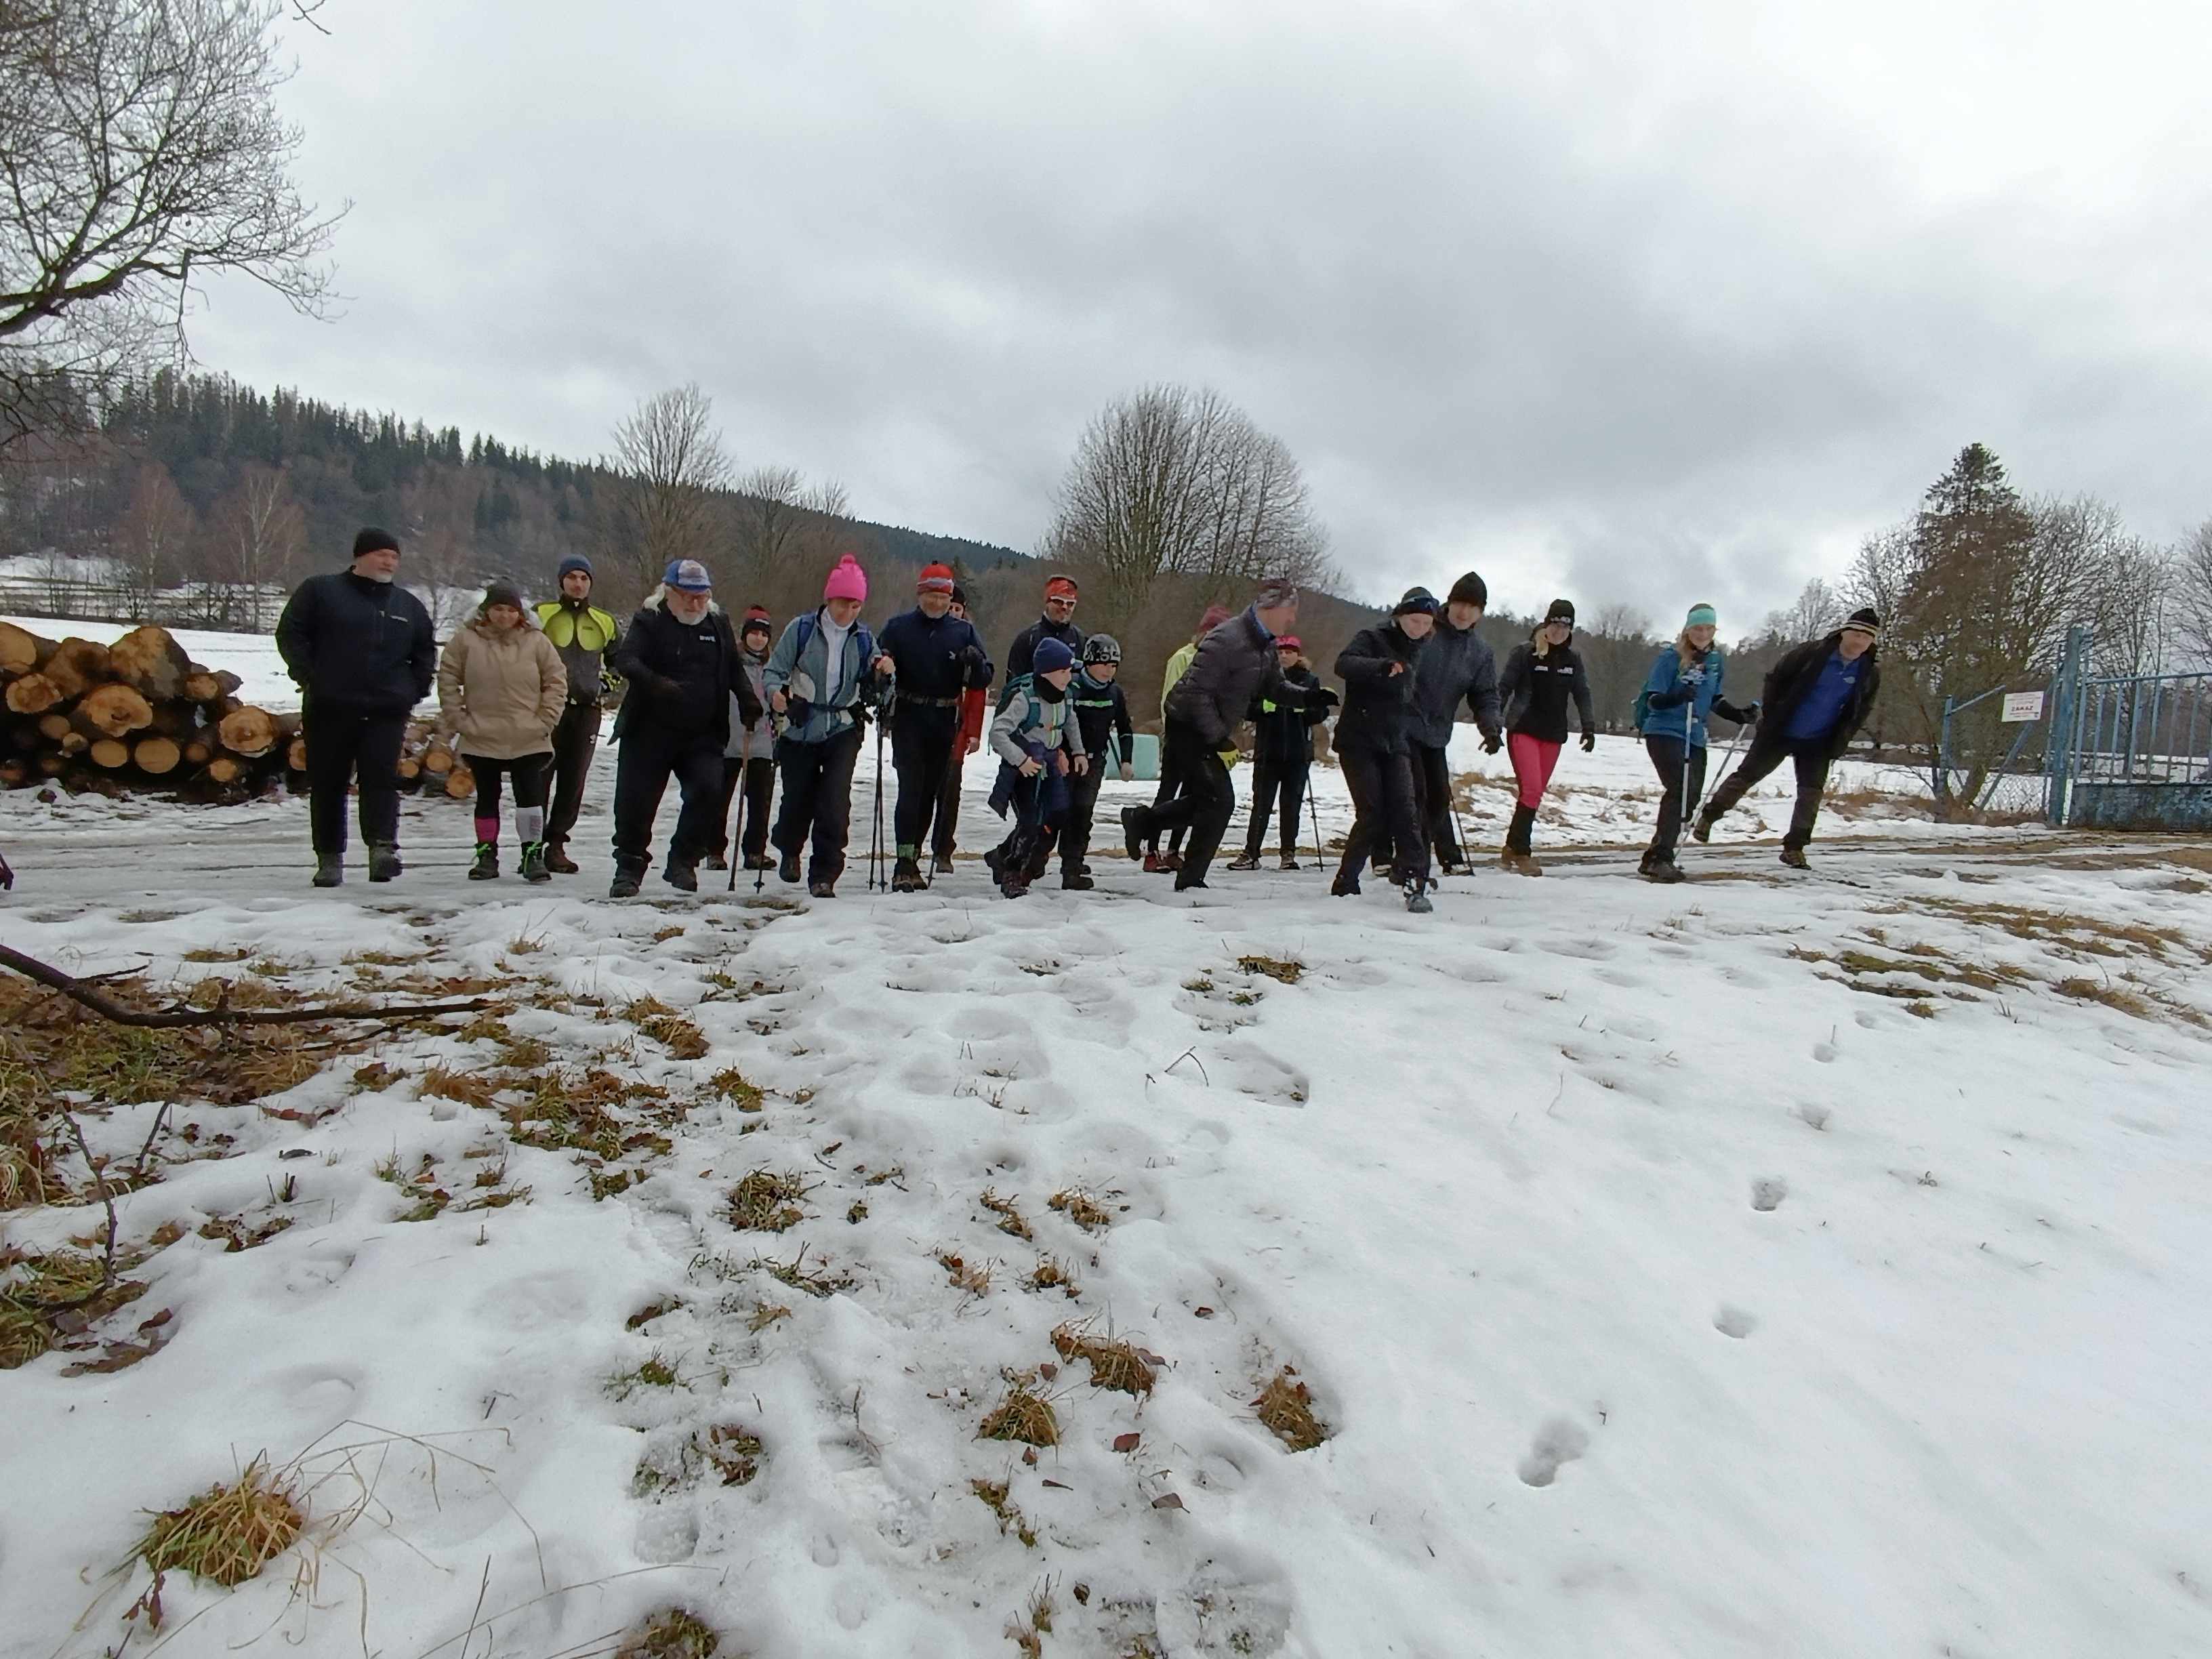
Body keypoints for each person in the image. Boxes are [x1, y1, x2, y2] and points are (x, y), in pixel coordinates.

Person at [274, 527, 436, 888]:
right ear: (360, 557)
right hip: (330, 707)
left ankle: (382, 850)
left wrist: (413, 689)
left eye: (394, 557)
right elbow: (291, 633)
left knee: (381, 781)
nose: (389, 562)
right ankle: (329, 858)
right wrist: (310, 675)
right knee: (329, 783)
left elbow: (425, 651)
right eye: (382, 555)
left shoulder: (407, 606)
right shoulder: (321, 592)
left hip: (385, 711)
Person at [1120, 577, 1302, 893]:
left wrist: (1309, 698)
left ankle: (1144, 823)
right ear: (1272, 608)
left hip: (1205, 727)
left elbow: (1273, 687)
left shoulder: (1264, 645)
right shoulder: (1227, 639)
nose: (1293, 619)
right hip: (1185, 726)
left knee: (1210, 799)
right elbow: (1195, 696)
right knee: (1218, 800)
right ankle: (1187, 874)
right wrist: (1219, 739)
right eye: (1291, 611)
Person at [606, 559, 763, 898]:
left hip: (702, 732)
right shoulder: (650, 619)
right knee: (637, 801)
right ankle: (629, 866)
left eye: (702, 597)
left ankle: (683, 859)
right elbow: (626, 659)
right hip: (649, 730)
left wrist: (748, 699)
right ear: (669, 593)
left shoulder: (718, 622)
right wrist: (655, 683)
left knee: (709, 791)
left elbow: (734, 668)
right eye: (689, 597)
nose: (696, 605)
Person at [1694, 608, 1883, 870]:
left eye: (1866, 636)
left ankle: (1795, 847)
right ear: (1844, 632)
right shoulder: (1812, 654)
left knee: (1811, 793)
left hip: (1819, 739)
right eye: (1855, 632)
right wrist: (1772, 714)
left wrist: (1843, 738)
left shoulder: (1868, 673)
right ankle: (1709, 816)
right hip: (1780, 730)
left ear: (1872, 641)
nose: (1859, 640)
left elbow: (1861, 710)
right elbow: (1775, 678)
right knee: (1746, 776)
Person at [763, 554, 893, 898]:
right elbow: (774, 671)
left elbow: (880, 685)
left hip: (843, 727)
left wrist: (885, 672)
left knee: (835, 802)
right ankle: (790, 849)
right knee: (797, 799)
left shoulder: (864, 639)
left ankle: (825, 873)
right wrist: (776, 694)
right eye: (841, 603)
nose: (846, 612)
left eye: (855, 605)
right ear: (828, 598)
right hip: (801, 725)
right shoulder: (802, 629)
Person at [436, 581, 568, 882]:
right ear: (487, 610)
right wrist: (460, 719)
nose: (505, 616)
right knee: (487, 797)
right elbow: (447, 678)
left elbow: (556, 681)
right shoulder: (466, 640)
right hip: (482, 734)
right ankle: (486, 854)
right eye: (498, 609)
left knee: (530, 798)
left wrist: (545, 720)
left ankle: (532, 854)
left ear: (520, 613)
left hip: (529, 735)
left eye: (511, 610)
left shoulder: (537, 641)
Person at [876, 562, 991, 890]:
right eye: (931, 596)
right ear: (920, 594)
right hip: (910, 715)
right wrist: (883, 666)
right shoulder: (899, 627)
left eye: (943, 597)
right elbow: (879, 661)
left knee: (929, 794)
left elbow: (984, 678)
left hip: (944, 719)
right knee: (910, 789)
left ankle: (913, 856)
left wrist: (975, 662)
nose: (937, 603)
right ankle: (903, 862)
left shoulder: (963, 631)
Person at [1330, 590, 1439, 912]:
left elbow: (1415, 693)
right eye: (1413, 620)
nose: (1418, 627)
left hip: (1397, 741)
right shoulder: (1372, 637)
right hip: (1358, 739)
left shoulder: (1422, 649)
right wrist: (1380, 667)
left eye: (1425, 623)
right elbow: (1344, 664)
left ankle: (1414, 879)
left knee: (1407, 809)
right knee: (1373, 812)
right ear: (1399, 616)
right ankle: (1346, 880)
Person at [1635, 604, 1759, 884]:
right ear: (1688, 629)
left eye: (1708, 628)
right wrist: (1678, 696)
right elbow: (1654, 698)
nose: (1703, 633)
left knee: (1691, 796)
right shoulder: (1671, 658)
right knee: (1679, 788)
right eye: (1698, 628)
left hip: (1695, 734)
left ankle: (1655, 854)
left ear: (1714, 630)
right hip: (1665, 730)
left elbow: (1714, 699)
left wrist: (1739, 714)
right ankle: (1661, 858)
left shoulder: (1715, 660)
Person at [1407, 571, 1503, 876]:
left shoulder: (1479, 652)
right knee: (1414, 794)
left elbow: (1485, 695)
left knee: (1438, 797)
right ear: (1448, 604)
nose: (1464, 612)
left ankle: (1446, 857)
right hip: (1401, 725)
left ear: (1481, 613)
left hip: (1437, 732)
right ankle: (1408, 862)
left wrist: (1491, 727)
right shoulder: (1424, 630)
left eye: (1473, 607)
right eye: (1460, 604)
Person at [1494, 599, 1597, 876]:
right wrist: (1492, 721)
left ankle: (1511, 848)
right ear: (1546, 623)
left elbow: (1582, 693)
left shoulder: (1572, 659)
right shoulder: (1525, 653)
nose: (1560, 630)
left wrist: (1589, 726)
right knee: (1531, 789)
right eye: (1556, 623)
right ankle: (1523, 853)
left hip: (1553, 734)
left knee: (1535, 794)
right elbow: (1503, 688)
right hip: (1524, 728)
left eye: (1566, 625)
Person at [533, 556, 621, 874]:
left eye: (584, 578)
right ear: (561, 581)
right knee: (537, 778)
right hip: (546, 709)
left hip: (586, 711)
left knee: (573, 782)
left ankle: (556, 845)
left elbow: (619, 660)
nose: (578, 584)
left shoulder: (604, 621)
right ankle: (530, 847)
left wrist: (603, 686)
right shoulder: (540, 615)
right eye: (571, 577)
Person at [982, 636, 1088, 898]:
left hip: (1050, 767)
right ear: (1048, 672)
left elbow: (1070, 725)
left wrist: (1078, 753)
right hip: (1024, 771)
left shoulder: (1065, 698)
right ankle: (1012, 873)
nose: (1069, 677)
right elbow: (998, 733)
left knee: (1055, 815)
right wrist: (1021, 760)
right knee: (1029, 822)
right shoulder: (1025, 700)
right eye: (1064, 672)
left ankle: (1000, 855)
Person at [1229, 635, 1334, 870]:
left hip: (1298, 753)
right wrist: (1264, 708)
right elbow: (1246, 709)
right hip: (1267, 752)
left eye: (1289, 652)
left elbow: (1320, 714)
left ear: (1298, 655)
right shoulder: (1264, 679)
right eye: (1280, 652)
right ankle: (1251, 852)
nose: (1284, 656)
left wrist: (1305, 709)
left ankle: (1288, 853)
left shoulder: (1309, 681)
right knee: (1261, 804)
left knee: (1291, 805)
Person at [1143, 605, 1235, 872]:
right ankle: (1151, 851)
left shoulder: (1221, 664)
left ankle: (1174, 850)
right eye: (1213, 632)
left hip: (1203, 742)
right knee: (1168, 793)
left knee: (1192, 795)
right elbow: (1169, 699)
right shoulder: (1182, 658)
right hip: (1178, 738)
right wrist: (1171, 734)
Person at [1060, 634, 1136, 889]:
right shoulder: (1073, 687)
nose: (1109, 670)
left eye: (1114, 665)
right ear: (1089, 663)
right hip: (1068, 761)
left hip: (1095, 762)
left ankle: (1073, 865)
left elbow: (1125, 727)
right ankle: (1023, 860)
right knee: (1059, 812)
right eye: (1104, 664)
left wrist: (1126, 760)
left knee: (1083, 814)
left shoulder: (1115, 692)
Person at [709, 606, 778, 872]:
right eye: (754, 633)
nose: (759, 639)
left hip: (761, 743)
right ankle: (714, 850)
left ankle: (755, 851)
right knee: (719, 800)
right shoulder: (729, 663)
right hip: (729, 740)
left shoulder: (772, 666)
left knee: (760, 803)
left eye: (763, 634)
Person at [932, 584, 993, 870]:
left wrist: (973, 733)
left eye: (958, 609)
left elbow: (978, 695)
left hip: (956, 730)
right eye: (950, 608)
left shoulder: (971, 645)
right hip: (928, 726)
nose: (954, 613)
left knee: (950, 793)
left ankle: (944, 848)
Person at [1004, 573, 1085, 682]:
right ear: (1047, 602)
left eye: (1070, 604)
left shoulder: (1080, 639)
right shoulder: (1026, 640)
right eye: (1058, 601)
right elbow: (1013, 684)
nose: (1064, 607)